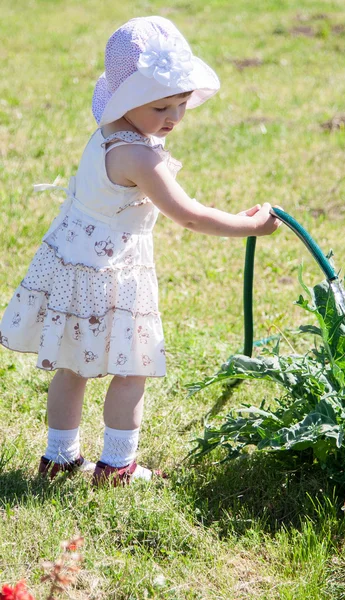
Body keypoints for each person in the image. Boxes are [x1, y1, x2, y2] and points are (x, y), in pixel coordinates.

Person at [0, 16, 281, 485]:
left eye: (181, 104)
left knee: (72, 366)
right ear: (129, 102)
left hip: (75, 264)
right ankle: (117, 466)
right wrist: (250, 226)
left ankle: (59, 457)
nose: (172, 118)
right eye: (160, 107)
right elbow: (188, 215)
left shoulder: (111, 133)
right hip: (112, 273)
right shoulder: (140, 157)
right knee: (132, 371)